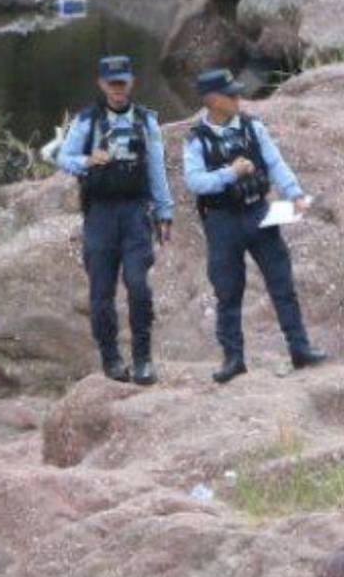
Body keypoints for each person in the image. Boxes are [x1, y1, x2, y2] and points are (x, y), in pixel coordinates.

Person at [183, 68, 327, 384]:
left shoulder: (251, 127)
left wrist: (295, 193)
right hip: (222, 221)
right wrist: (229, 174)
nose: (238, 98)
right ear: (211, 100)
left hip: (259, 212)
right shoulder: (198, 140)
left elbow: (275, 162)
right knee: (228, 289)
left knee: (281, 282)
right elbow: (194, 181)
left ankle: (299, 347)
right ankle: (233, 358)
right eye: (231, 94)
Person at [58, 55, 174, 385]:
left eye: (123, 83)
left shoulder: (146, 121)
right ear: (102, 84)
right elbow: (63, 157)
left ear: (131, 82)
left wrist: (165, 213)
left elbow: (156, 169)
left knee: (138, 285)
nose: (118, 90)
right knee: (100, 292)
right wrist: (86, 159)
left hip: (136, 213)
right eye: (113, 84)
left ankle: (143, 359)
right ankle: (111, 358)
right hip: (100, 215)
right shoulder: (88, 121)